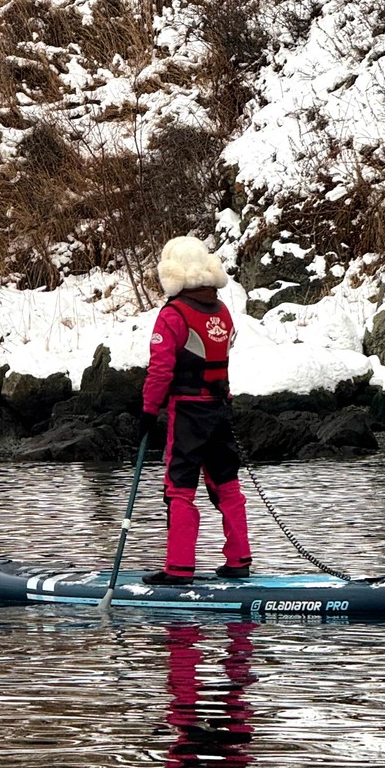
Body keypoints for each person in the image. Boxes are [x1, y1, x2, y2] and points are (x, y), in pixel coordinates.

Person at [139, 235, 251, 586]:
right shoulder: (222, 311)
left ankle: (179, 568)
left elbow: (160, 370)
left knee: (179, 488)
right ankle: (239, 560)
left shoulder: (172, 315)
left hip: (188, 413)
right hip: (221, 409)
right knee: (226, 484)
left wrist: (146, 412)